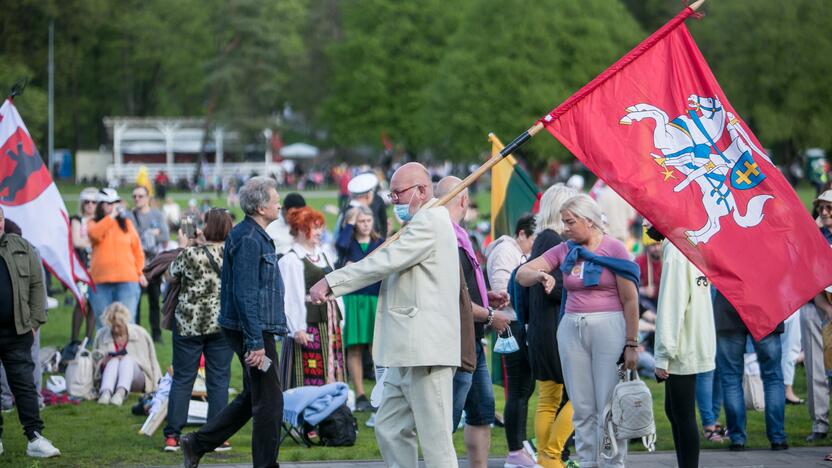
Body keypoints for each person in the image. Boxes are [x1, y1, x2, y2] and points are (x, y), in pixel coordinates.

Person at [309, 162, 460, 468]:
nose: (393, 200)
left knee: (436, 442)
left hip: (426, 351)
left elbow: (385, 262)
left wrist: (333, 280)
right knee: (389, 427)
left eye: (398, 193)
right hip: (404, 349)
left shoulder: (431, 221)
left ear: (422, 190)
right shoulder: (418, 222)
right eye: (390, 194)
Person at [517, 194, 640, 468]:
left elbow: (631, 300)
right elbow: (521, 275)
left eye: (570, 222)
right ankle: (587, 462)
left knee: (608, 405)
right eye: (563, 222)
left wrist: (632, 343)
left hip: (609, 326)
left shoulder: (614, 249)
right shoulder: (564, 250)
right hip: (572, 328)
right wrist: (540, 274)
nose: (565, 228)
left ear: (590, 221)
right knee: (583, 408)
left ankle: (611, 462)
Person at [181, 176, 287, 468]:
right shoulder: (250, 239)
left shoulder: (251, 234)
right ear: (262, 206)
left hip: (251, 326)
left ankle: (197, 443)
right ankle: (265, 465)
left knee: (256, 395)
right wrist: (255, 343)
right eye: (275, 198)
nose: (279, 201)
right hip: (252, 328)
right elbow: (245, 293)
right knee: (270, 402)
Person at [436, 176, 511, 468]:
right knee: (447, 419)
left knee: (482, 411)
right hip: (455, 343)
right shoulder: (446, 239)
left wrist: (486, 295)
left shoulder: (460, 236)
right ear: (464, 201)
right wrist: (491, 316)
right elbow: (455, 298)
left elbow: (466, 288)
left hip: (473, 340)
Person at [163, 209, 235, 452]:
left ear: (206, 227)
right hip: (222, 323)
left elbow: (169, 275)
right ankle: (218, 436)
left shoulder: (191, 254)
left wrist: (187, 245)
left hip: (189, 323)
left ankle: (172, 435)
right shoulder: (232, 253)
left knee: (183, 379)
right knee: (219, 380)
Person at [651, 227, 715, 468]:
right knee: (674, 410)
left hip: (681, 345)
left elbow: (672, 305)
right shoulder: (689, 242)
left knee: (682, 414)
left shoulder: (676, 249)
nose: (645, 224)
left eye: (649, 218)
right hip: (692, 339)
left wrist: (663, 355)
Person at [0, 206, 60, 458]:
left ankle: (35, 438)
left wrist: (35, 322)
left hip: (17, 332)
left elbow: (37, 285)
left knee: (25, 386)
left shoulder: (22, 247)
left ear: (2, 220)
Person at [524, 183, 577, 468]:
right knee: (581, 397)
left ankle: (547, 458)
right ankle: (551, 456)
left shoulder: (542, 239)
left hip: (543, 329)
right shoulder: (551, 240)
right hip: (554, 329)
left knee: (549, 396)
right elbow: (553, 287)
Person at [485, 213, 537, 468]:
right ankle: (516, 451)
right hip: (510, 323)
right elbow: (502, 289)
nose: (535, 245)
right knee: (518, 388)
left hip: (517, 323)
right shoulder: (506, 251)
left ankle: (520, 447)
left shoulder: (516, 252)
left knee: (524, 389)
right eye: (533, 239)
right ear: (522, 234)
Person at [278, 207, 345, 388]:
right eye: (315, 228)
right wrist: (296, 328)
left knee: (333, 366)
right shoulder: (291, 260)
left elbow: (334, 286)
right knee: (309, 370)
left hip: (329, 320)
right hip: (308, 324)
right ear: (301, 229)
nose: (320, 232)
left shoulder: (324, 254)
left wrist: (340, 317)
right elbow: (290, 298)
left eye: (320, 227)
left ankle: (333, 409)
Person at [713, 289, 788, 451]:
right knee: (773, 376)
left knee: (731, 378)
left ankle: (737, 439)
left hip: (729, 306)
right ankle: (777, 438)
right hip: (766, 304)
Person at [334, 204, 384, 410]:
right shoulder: (348, 243)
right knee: (354, 348)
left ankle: (379, 393)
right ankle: (361, 393)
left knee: (377, 349)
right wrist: (350, 223)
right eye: (361, 221)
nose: (364, 225)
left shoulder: (380, 242)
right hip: (353, 299)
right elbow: (340, 245)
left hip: (374, 299)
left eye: (367, 221)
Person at [87, 188, 146, 327]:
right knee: (103, 325)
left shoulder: (126, 224)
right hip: (100, 282)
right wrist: (110, 217)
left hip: (127, 281)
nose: (113, 206)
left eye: (115, 202)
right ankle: (105, 350)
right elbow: (94, 234)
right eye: (109, 203)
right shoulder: (93, 223)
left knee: (127, 324)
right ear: (101, 205)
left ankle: (127, 350)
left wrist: (140, 272)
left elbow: (137, 251)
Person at [803, 191, 832, 447]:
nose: (824, 213)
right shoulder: (815, 234)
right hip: (814, 304)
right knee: (815, 367)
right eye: (821, 208)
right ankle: (820, 423)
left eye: (829, 208)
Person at [94, 303, 162, 406]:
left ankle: (120, 394)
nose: (116, 330)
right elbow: (94, 363)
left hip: (137, 377)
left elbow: (153, 361)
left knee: (127, 360)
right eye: (113, 326)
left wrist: (158, 386)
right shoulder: (101, 335)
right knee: (114, 361)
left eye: (119, 326)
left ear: (125, 322)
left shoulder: (141, 334)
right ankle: (105, 393)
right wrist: (103, 362)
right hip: (110, 375)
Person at [128, 185, 169, 342]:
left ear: (147, 197)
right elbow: (131, 238)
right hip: (135, 264)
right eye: (135, 196)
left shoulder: (156, 214)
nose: (137, 199)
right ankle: (136, 334)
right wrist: (150, 234)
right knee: (135, 301)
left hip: (153, 265)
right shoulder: (129, 215)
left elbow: (165, 235)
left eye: (140, 196)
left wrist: (145, 235)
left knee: (154, 301)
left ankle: (156, 334)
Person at [69, 187, 98, 348]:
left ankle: (89, 338)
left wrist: (86, 241)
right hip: (81, 269)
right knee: (80, 302)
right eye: (86, 201)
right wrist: (93, 242)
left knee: (93, 304)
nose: (90, 205)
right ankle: (74, 339)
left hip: (97, 269)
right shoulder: (77, 220)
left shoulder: (101, 220)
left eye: (94, 202)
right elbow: (76, 242)